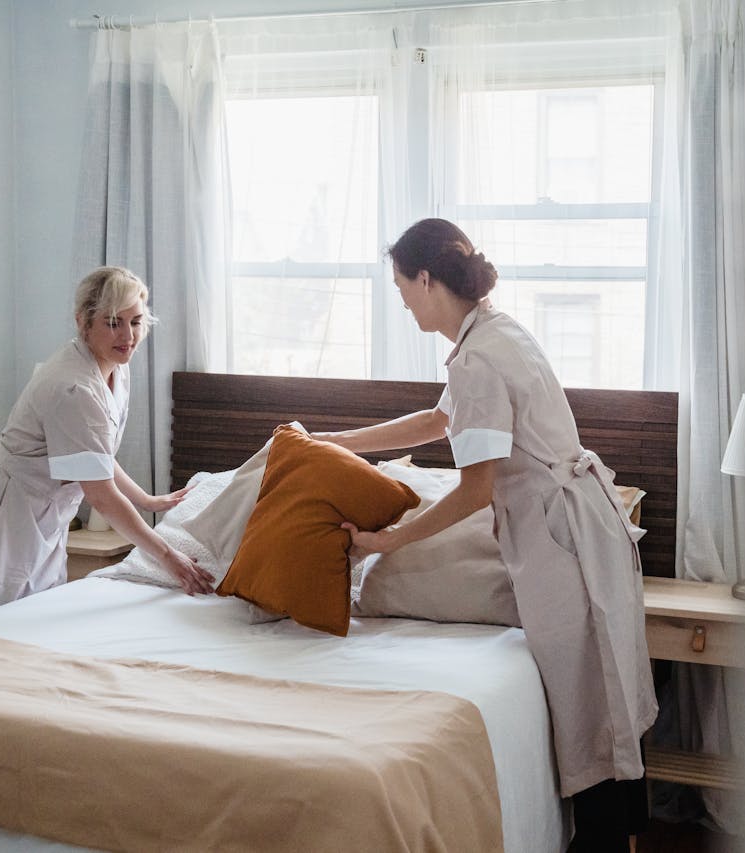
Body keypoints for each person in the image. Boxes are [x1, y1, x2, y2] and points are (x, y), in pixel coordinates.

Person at [315, 219, 657, 851]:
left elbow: (475, 490)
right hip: (578, 523)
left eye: (401, 286)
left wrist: (386, 542)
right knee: (602, 701)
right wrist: (338, 442)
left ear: (425, 278)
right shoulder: (495, 332)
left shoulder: (477, 357)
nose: (402, 302)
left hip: (561, 535)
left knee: (589, 705)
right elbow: (437, 420)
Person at [0, 266, 215, 619]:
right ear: (83, 322)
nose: (128, 336)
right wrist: (168, 557)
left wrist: (147, 500)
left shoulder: (115, 366)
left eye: (136, 322)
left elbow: (94, 453)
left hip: (42, 511)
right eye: (113, 322)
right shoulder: (75, 387)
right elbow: (101, 495)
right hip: (9, 509)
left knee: (35, 619)